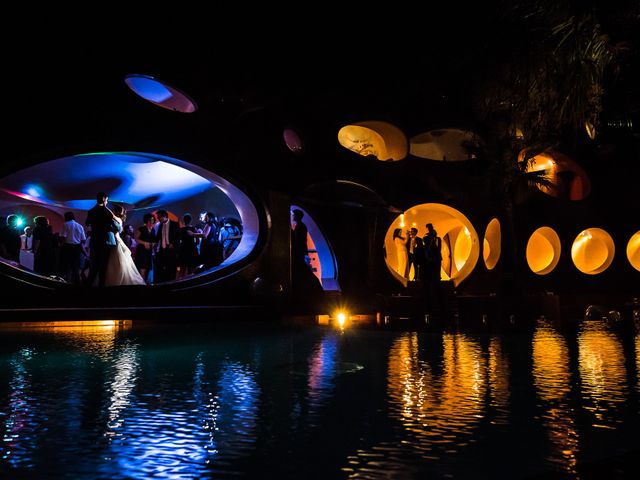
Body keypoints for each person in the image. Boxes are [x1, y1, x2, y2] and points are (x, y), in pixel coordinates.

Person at [104, 204, 146, 286]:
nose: (112, 211)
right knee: (114, 261)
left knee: (119, 260)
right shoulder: (114, 219)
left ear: (117, 212)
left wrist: (105, 207)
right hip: (114, 240)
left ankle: (118, 279)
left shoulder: (118, 219)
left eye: (113, 210)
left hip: (116, 241)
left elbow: (111, 216)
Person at [85, 191, 121, 286]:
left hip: (95, 240)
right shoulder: (106, 211)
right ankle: (101, 289)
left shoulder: (91, 211)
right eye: (107, 200)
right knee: (103, 267)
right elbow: (117, 227)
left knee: (94, 265)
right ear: (104, 199)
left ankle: (88, 286)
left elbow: (87, 224)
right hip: (106, 241)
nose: (107, 202)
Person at [59, 211, 86, 284]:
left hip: (67, 247)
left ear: (66, 217)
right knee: (75, 266)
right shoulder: (80, 226)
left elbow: (63, 237)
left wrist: (60, 245)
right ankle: (76, 283)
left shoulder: (65, 224)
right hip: (77, 248)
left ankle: (64, 281)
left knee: (65, 265)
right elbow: (83, 240)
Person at [153, 209, 180, 283]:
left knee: (171, 268)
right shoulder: (160, 225)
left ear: (164, 216)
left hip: (171, 250)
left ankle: (172, 283)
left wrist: (173, 244)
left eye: (159, 217)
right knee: (163, 269)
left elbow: (178, 236)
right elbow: (158, 237)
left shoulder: (175, 224)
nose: (158, 219)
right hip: (163, 250)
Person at [134, 213, 156, 283]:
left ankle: (146, 283)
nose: (151, 221)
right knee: (142, 269)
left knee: (148, 268)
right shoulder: (141, 229)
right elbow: (136, 239)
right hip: (141, 251)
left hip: (149, 252)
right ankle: (142, 284)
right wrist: (144, 243)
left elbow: (154, 240)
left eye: (152, 220)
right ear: (146, 220)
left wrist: (153, 244)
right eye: (149, 220)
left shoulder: (153, 230)